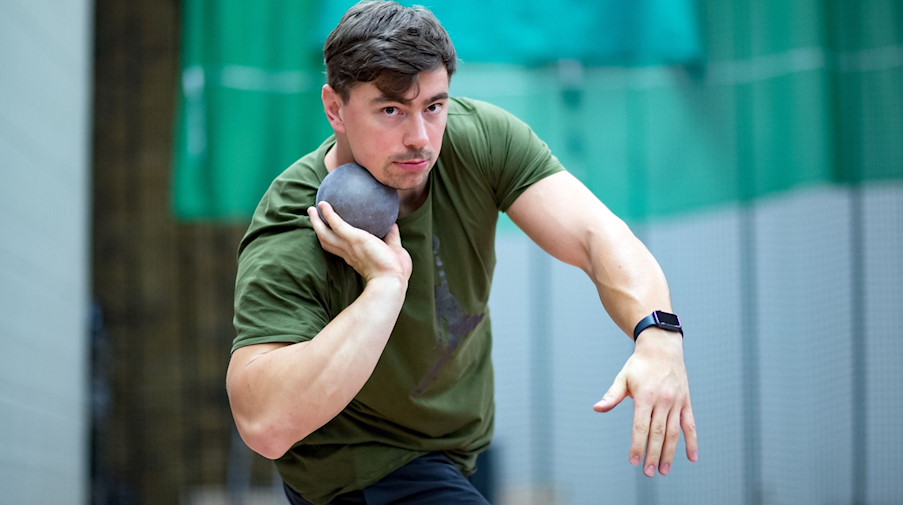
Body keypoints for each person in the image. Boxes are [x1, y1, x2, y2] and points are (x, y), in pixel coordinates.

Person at [226, 2, 698, 504]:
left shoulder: (477, 140)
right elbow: (264, 424)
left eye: (433, 106)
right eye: (391, 110)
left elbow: (596, 235)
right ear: (335, 108)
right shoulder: (293, 222)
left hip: (456, 455)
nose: (420, 138)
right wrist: (385, 288)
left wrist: (658, 335)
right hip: (361, 473)